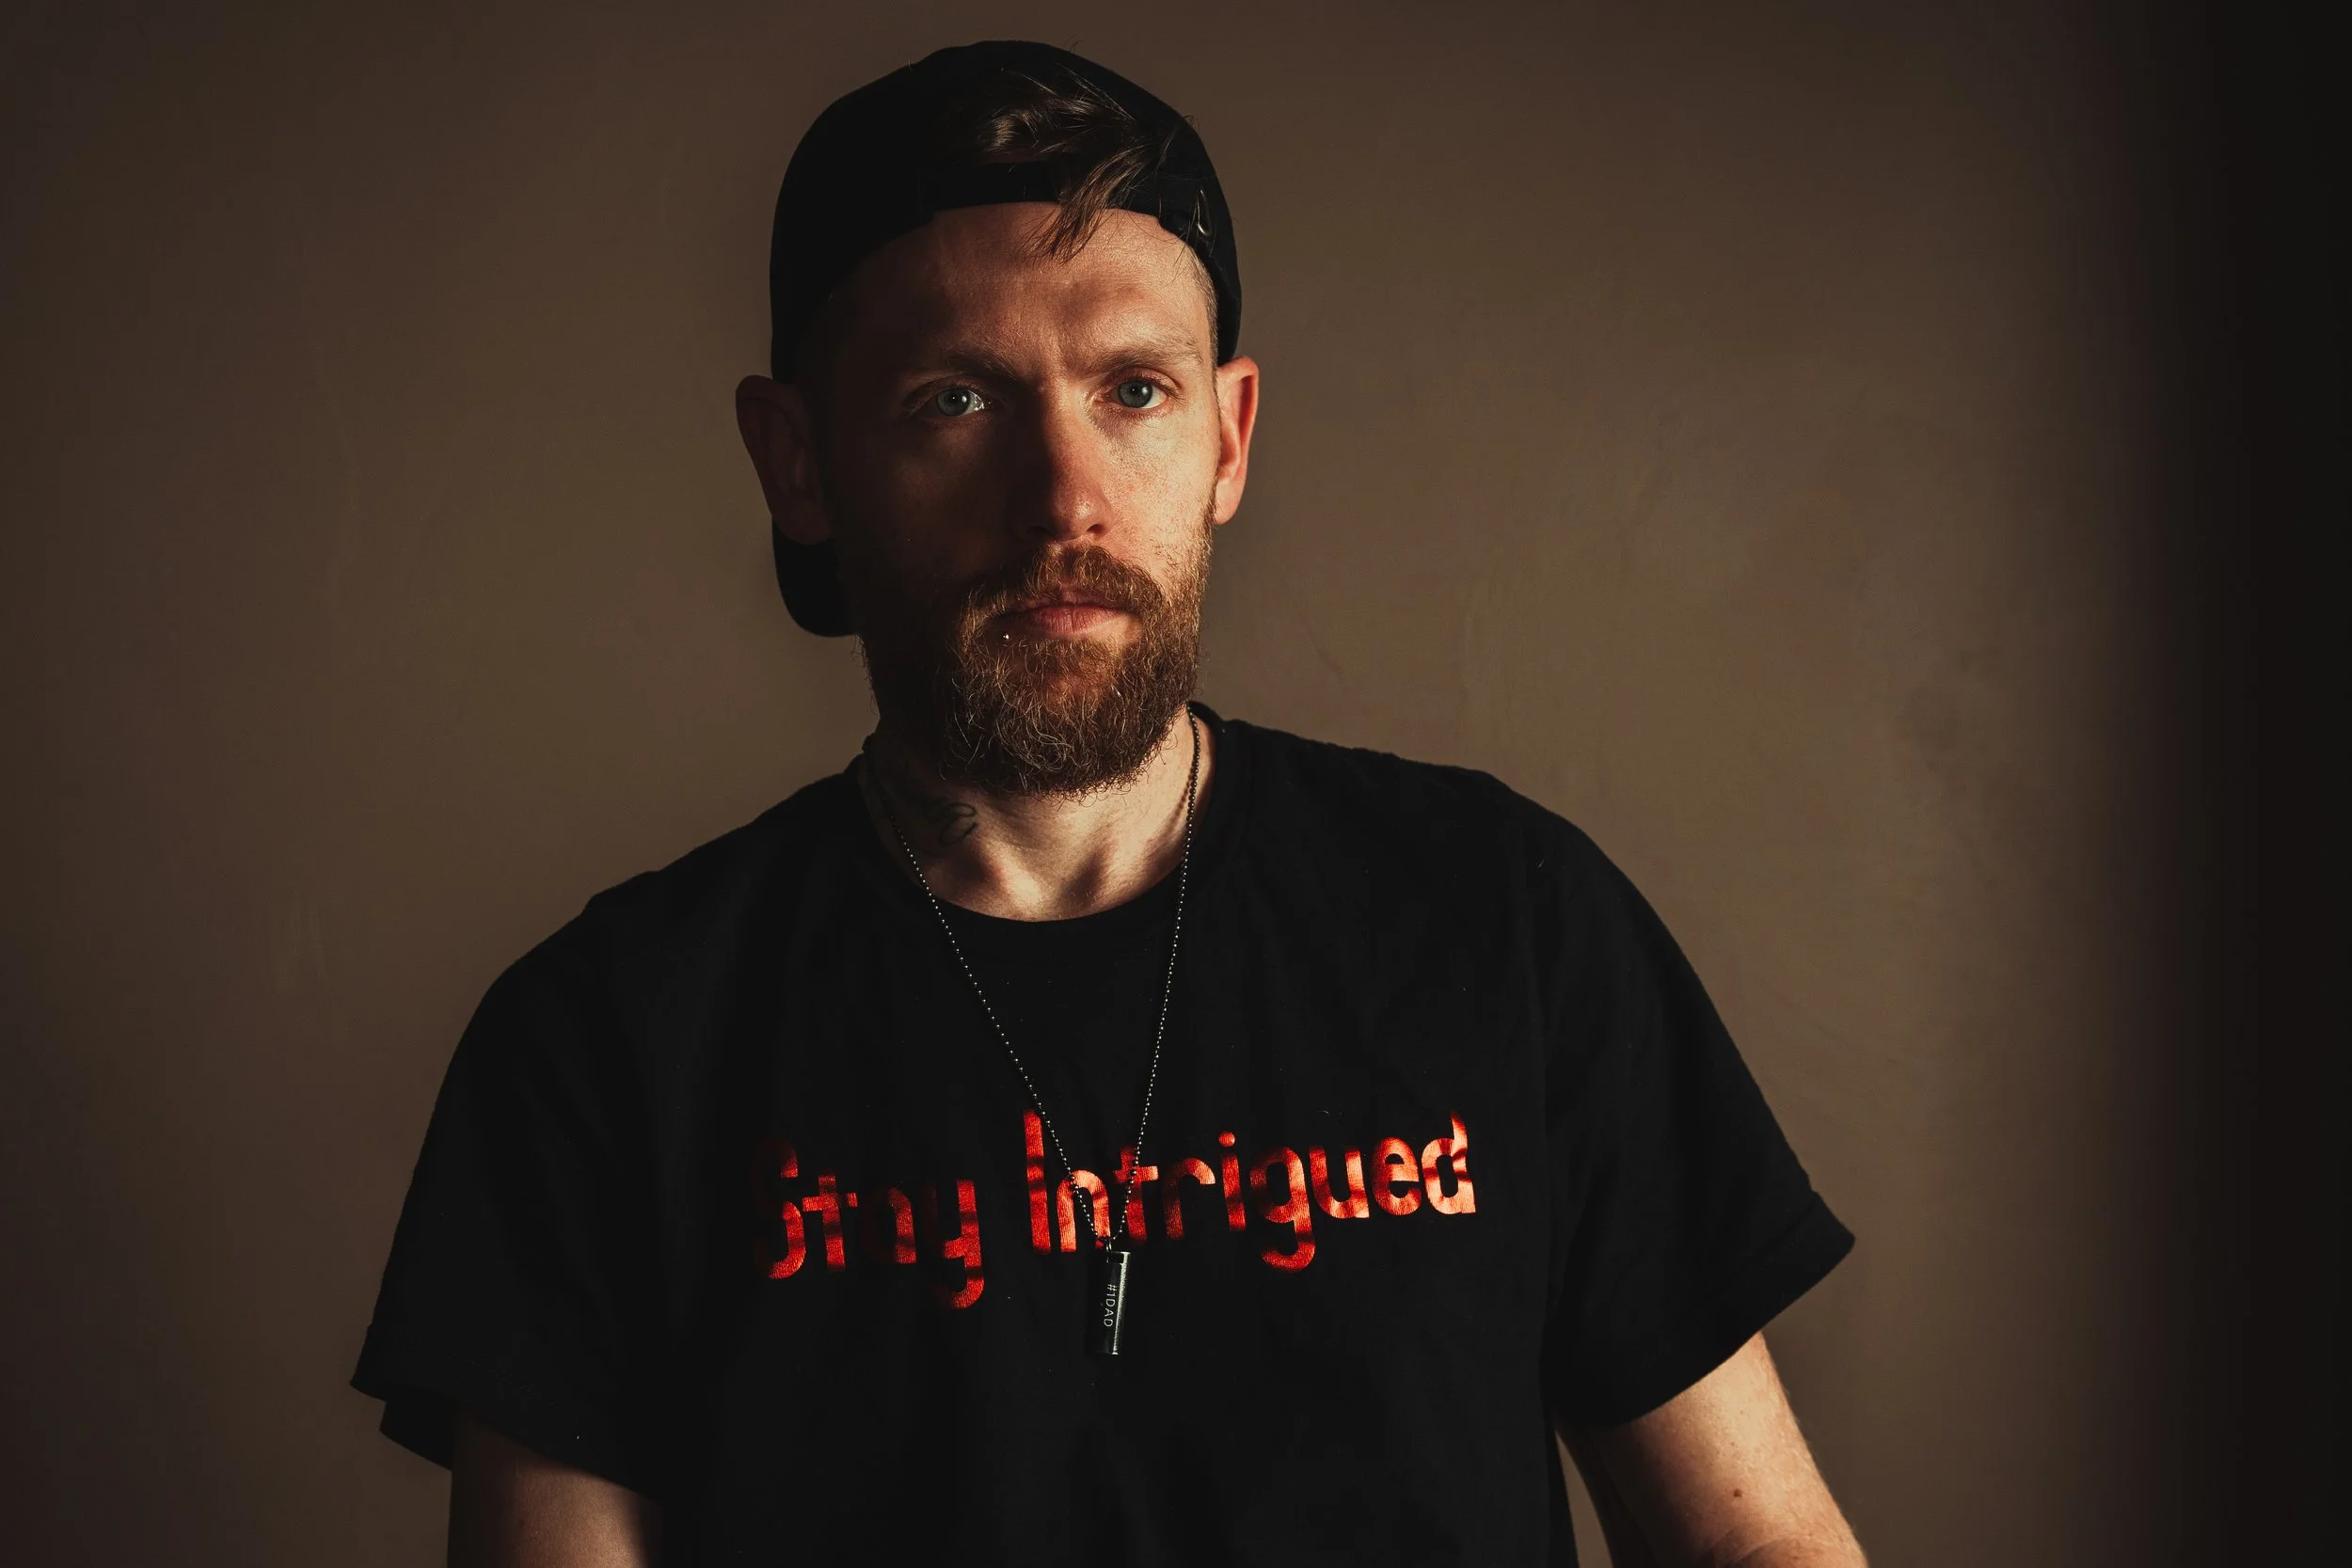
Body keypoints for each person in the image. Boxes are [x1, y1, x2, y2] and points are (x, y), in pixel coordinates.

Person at [353, 39, 1866, 1568]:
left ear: (1228, 434)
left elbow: (1762, 1546)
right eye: (954, 397)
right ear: (798, 462)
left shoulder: (1507, 926)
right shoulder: (605, 1042)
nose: (1062, 495)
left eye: (1132, 389)